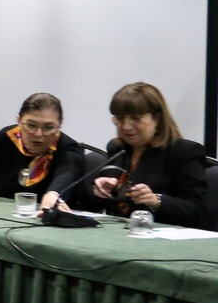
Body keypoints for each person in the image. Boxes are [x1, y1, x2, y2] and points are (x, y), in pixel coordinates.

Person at [72, 82, 209, 227]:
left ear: (157, 118)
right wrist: (98, 193)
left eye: (136, 118)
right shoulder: (118, 148)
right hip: (119, 232)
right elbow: (90, 205)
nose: (126, 126)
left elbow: (197, 212)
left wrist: (156, 201)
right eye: (120, 119)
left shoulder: (184, 152)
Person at [0, 93, 90, 205]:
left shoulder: (69, 149)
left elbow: (67, 173)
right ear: (19, 121)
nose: (38, 134)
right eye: (31, 125)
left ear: (59, 126)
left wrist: (53, 194)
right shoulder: (7, 137)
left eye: (48, 127)